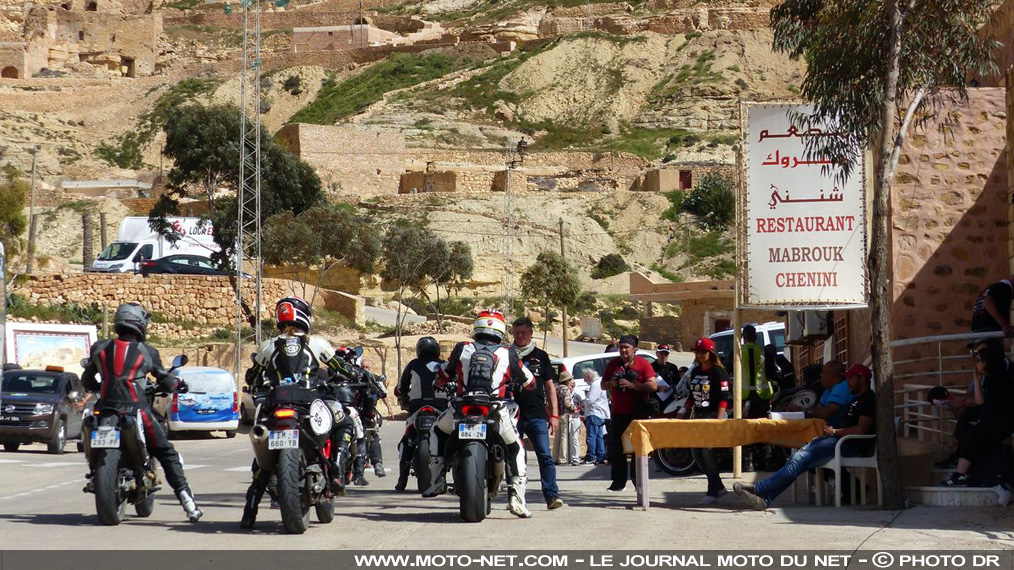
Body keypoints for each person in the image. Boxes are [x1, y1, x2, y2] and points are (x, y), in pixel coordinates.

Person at [241, 296, 359, 529]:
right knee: (344, 423)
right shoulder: (316, 344)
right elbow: (342, 368)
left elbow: (252, 377)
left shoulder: (268, 346)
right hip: (309, 405)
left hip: (275, 406)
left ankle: (250, 510)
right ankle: (335, 470)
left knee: (262, 459)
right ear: (304, 316)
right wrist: (349, 372)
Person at [81, 302, 203, 523]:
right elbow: (164, 380)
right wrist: (175, 385)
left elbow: (87, 380)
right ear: (140, 324)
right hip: (136, 409)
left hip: (105, 409)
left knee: (90, 431)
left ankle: (94, 474)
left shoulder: (99, 348)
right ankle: (188, 501)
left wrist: (104, 386)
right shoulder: (147, 352)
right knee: (167, 453)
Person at [423, 310, 537, 519]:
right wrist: (527, 385)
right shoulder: (508, 352)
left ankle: (437, 480)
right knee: (515, 448)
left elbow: (443, 375)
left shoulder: (462, 348)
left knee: (436, 431)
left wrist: (438, 383)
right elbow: (530, 381)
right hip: (496, 408)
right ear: (501, 330)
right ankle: (517, 497)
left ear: (477, 327)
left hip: (462, 406)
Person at [735, 364, 876, 510]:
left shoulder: (868, 400)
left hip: (849, 444)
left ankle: (759, 490)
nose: (848, 383)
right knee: (799, 458)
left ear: (862, 378)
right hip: (836, 440)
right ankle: (764, 498)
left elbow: (860, 430)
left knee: (799, 459)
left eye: (851, 379)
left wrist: (835, 431)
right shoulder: (855, 399)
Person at [941, 339, 1014, 487]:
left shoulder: (1002, 375)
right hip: (993, 413)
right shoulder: (988, 374)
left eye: (979, 359)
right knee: (967, 418)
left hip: (1006, 418)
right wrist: (976, 378)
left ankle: (959, 474)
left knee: (974, 434)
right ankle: (960, 458)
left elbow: (998, 404)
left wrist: (982, 420)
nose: (976, 363)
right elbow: (980, 401)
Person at [511, 317, 564, 510]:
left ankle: (551, 496)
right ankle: (515, 496)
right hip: (511, 415)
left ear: (531, 333)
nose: (520, 336)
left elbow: (551, 387)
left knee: (545, 455)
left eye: (524, 332)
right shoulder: (506, 354)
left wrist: (554, 415)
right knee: (515, 456)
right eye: (516, 332)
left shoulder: (541, 356)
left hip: (537, 415)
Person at [679, 337, 732, 504]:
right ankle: (719, 486)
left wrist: (718, 420)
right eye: (698, 352)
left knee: (708, 453)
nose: (701, 355)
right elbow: (692, 396)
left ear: (711, 353)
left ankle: (712, 491)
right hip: (698, 416)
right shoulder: (694, 372)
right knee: (697, 453)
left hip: (712, 416)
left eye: (704, 352)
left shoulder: (718, 372)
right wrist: (683, 410)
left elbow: (724, 398)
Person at [602, 334, 657, 492]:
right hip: (619, 412)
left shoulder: (643, 364)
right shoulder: (613, 364)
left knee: (638, 448)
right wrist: (612, 383)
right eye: (621, 347)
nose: (623, 351)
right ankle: (618, 482)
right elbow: (602, 385)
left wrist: (633, 385)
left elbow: (653, 386)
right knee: (616, 447)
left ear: (635, 349)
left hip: (638, 412)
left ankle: (637, 481)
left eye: (627, 347)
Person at [394, 336, 447, 492]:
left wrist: (403, 397)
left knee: (406, 439)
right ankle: (458, 474)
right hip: (441, 408)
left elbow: (401, 387)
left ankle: (402, 479)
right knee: (452, 436)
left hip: (418, 407)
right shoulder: (444, 365)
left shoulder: (413, 365)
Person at [795, 361, 853, 427]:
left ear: (832, 375)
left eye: (823, 372)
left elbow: (826, 414)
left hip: (841, 433)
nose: (820, 374)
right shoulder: (828, 390)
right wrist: (801, 410)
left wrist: (803, 411)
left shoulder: (842, 387)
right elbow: (818, 409)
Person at [741, 326, 774, 418]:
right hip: (762, 395)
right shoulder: (764, 351)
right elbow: (772, 372)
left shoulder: (738, 352)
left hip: (743, 395)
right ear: (755, 336)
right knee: (762, 423)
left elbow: (728, 368)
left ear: (743, 337)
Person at [579, 368, 609, 464]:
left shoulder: (595, 384)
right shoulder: (599, 382)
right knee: (599, 436)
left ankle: (591, 456)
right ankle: (600, 456)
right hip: (601, 414)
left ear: (588, 375)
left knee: (591, 436)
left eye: (584, 377)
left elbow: (590, 400)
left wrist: (584, 401)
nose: (584, 380)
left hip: (594, 413)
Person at [553, 371, 581, 466]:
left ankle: (555, 457)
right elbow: (567, 402)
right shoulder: (566, 389)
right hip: (565, 414)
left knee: (557, 436)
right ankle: (563, 458)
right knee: (564, 436)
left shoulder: (556, 387)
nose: (571, 381)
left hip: (557, 414)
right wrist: (574, 408)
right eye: (570, 379)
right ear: (566, 380)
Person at [651, 344, 681, 409]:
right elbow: (646, 384)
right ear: (657, 353)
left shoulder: (673, 367)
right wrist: (658, 388)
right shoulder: (650, 367)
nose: (664, 356)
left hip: (670, 400)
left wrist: (673, 388)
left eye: (666, 354)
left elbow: (678, 383)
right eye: (662, 353)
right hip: (654, 400)